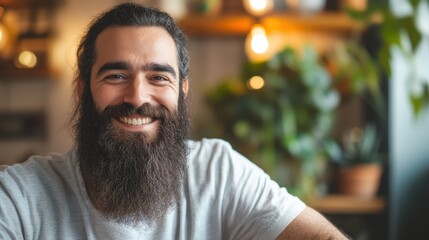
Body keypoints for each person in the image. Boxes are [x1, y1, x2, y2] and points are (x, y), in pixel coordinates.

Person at [0, 3, 348, 239]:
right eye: (116, 75)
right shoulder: (18, 196)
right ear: (82, 89)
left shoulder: (217, 172)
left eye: (158, 77)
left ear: (182, 91)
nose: (137, 97)